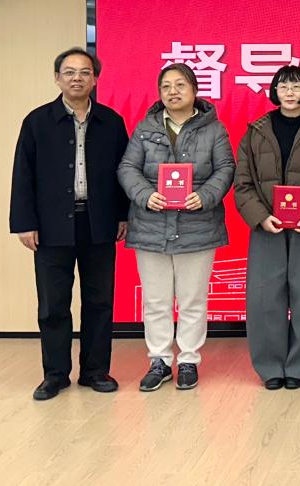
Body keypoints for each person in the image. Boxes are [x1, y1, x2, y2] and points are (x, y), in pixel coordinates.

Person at [10, 47, 129, 401]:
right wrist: (24, 223)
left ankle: (95, 371)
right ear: (57, 78)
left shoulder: (111, 122)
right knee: (53, 304)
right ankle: (55, 374)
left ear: (96, 79)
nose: (77, 78)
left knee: (99, 301)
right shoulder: (37, 122)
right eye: (69, 72)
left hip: (98, 223)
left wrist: (123, 215)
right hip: (50, 226)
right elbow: (22, 175)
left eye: (85, 72)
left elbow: (124, 173)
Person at [117, 63, 235, 391]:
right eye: (166, 86)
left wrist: (205, 196)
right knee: (156, 300)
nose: (173, 91)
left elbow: (226, 168)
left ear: (195, 89)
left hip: (198, 226)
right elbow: (127, 167)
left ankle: (188, 360)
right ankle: (159, 360)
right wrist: (145, 195)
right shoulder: (145, 127)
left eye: (180, 85)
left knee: (192, 299)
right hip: (151, 226)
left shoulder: (214, 129)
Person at [234, 65, 300, 390]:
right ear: (274, 91)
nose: (289, 92)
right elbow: (242, 182)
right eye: (283, 86)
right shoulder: (256, 131)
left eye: (295, 86)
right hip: (267, 226)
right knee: (265, 297)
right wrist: (260, 216)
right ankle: (270, 368)